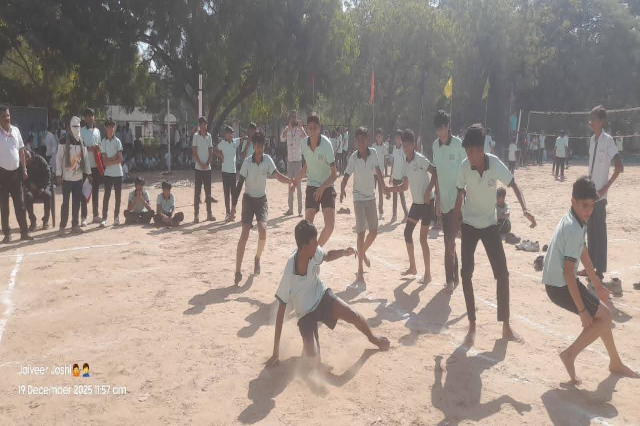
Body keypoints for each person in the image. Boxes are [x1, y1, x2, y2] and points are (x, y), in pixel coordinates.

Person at [543, 176, 638, 384]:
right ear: (573, 201)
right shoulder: (574, 228)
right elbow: (569, 273)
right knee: (604, 316)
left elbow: (583, 251)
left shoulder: (576, 219)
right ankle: (570, 354)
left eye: (592, 205)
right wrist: (582, 311)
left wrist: (597, 285)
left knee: (603, 314)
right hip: (560, 286)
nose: (589, 210)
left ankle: (615, 362)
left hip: (557, 283)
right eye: (584, 205)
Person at [451, 124, 536, 344]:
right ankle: (472, 324)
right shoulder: (464, 167)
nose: (468, 156)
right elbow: (458, 198)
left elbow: (514, 185)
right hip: (469, 224)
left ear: (481, 150)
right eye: (466, 152)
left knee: (502, 274)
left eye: (471, 152)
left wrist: (525, 208)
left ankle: (506, 327)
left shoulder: (495, 164)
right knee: (466, 274)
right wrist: (453, 230)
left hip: (489, 224)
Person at [267, 220, 390, 368]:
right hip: (305, 313)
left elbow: (327, 255)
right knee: (313, 360)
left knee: (353, 314)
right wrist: (275, 352)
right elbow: (281, 310)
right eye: (314, 243)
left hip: (322, 296)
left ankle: (373, 338)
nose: (317, 246)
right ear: (304, 247)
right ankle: (310, 344)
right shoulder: (290, 270)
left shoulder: (312, 250)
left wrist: (344, 252)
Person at [231, 130, 292, 284]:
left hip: (261, 200)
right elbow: (239, 185)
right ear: (253, 146)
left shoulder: (267, 160)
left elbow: (277, 175)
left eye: (261, 146)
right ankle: (237, 271)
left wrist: (290, 181)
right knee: (244, 233)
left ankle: (257, 258)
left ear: (264, 146)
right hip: (248, 199)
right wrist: (233, 206)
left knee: (263, 230)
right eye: (257, 146)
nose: (259, 149)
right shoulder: (247, 162)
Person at [385, 129, 436, 283]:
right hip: (417, 203)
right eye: (404, 145)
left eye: (408, 145)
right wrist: (390, 189)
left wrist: (428, 191)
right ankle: (413, 267)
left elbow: (435, 173)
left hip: (427, 203)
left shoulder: (420, 159)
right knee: (407, 233)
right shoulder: (405, 163)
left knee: (422, 238)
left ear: (413, 145)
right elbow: (405, 186)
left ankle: (428, 274)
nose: (405, 148)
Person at [580, 105, 623, 281]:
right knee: (590, 232)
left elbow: (619, 167)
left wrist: (605, 188)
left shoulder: (608, 141)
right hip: (589, 195)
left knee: (600, 233)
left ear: (601, 121)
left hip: (600, 197)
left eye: (593, 119)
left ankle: (599, 271)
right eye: (590, 119)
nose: (590, 122)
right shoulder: (592, 140)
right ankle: (590, 268)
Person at [340, 127, 385, 281]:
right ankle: (360, 267)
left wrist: (384, 187)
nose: (360, 143)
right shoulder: (353, 157)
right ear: (355, 141)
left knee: (374, 232)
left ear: (367, 140)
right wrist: (342, 188)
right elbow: (346, 175)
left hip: (371, 197)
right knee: (361, 232)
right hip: (358, 198)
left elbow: (378, 171)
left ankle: (362, 252)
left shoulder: (374, 153)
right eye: (358, 140)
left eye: (363, 140)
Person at [431, 111, 466, 292]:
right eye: (437, 129)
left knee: (450, 241)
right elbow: (436, 173)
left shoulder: (459, 145)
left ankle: (451, 280)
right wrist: (437, 199)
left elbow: (467, 170)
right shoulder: (435, 146)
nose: (439, 132)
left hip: (459, 201)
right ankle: (453, 278)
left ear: (448, 127)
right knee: (448, 241)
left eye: (442, 128)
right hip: (444, 201)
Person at [291, 112, 337, 247]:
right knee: (307, 226)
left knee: (330, 226)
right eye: (310, 128)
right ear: (307, 128)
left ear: (319, 128)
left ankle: (316, 250)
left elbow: (334, 174)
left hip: (327, 186)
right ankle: (307, 252)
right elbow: (307, 166)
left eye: (315, 128)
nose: (312, 131)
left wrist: (322, 188)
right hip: (311, 186)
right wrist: (295, 182)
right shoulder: (304, 144)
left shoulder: (326, 144)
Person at [0, 105, 32, 242]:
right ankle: (7, 234)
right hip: (2, 174)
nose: (7, 118)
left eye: (8, 115)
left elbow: (21, 151)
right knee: (4, 206)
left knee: (20, 205)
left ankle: (24, 232)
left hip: (16, 174)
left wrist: (24, 169)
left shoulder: (16, 130)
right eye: (3, 116)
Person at [56, 116, 92, 236]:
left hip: (78, 178)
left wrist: (89, 173)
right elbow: (58, 158)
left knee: (76, 202)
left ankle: (75, 225)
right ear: (70, 128)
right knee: (65, 203)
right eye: (75, 127)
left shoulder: (82, 142)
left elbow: (85, 158)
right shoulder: (63, 141)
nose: (77, 129)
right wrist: (58, 174)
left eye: (78, 126)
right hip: (67, 178)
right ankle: (62, 226)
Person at [281, 110, 307, 217]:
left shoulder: (300, 129)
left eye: (295, 117)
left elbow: (306, 139)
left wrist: (301, 128)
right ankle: (290, 209)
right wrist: (287, 129)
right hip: (290, 161)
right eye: (292, 117)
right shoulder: (287, 129)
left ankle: (300, 211)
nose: (293, 119)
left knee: (299, 186)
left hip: (297, 161)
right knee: (290, 185)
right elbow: (282, 138)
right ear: (290, 118)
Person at [80, 108, 102, 226]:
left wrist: (98, 147)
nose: (90, 118)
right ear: (85, 118)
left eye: (92, 116)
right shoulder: (81, 131)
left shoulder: (97, 131)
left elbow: (100, 145)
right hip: (85, 166)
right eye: (88, 116)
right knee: (85, 191)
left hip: (96, 165)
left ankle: (95, 215)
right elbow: (80, 147)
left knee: (96, 190)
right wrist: (89, 148)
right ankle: (83, 217)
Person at [100, 118, 123, 227]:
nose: (111, 129)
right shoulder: (103, 142)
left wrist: (111, 160)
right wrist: (114, 158)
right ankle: (104, 218)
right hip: (108, 174)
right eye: (109, 127)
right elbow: (104, 162)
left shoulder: (117, 141)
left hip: (118, 173)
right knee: (107, 195)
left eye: (113, 127)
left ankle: (116, 217)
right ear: (106, 128)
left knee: (118, 196)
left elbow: (120, 159)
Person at [215, 125, 241, 221]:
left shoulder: (235, 142)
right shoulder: (222, 143)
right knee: (226, 193)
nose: (231, 135)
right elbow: (215, 150)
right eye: (229, 133)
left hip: (233, 172)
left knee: (233, 193)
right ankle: (227, 212)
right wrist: (220, 156)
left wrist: (249, 138)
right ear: (226, 134)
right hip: (225, 172)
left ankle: (233, 211)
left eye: (232, 134)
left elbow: (243, 138)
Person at [192, 116, 215, 223]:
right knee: (197, 192)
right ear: (199, 125)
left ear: (206, 125)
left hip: (207, 169)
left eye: (205, 124)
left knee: (208, 192)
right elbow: (194, 152)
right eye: (201, 124)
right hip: (198, 168)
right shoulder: (196, 136)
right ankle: (196, 215)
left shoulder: (209, 136)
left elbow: (211, 151)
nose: (203, 126)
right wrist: (201, 164)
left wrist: (207, 163)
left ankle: (209, 213)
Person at [23, 149, 52, 231]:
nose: (27, 159)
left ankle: (45, 221)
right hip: (31, 188)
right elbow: (22, 179)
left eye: (28, 156)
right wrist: (29, 184)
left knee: (47, 195)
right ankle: (33, 221)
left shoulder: (40, 160)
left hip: (43, 186)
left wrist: (43, 187)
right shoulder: (23, 164)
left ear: (31, 155)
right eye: (25, 158)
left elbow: (48, 174)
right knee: (27, 196)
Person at [388, 129, 408, 223]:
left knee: (402, 196)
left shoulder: (403, 149)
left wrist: (405, 176)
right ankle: (394, 215)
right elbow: (393, 162)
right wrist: (391, 175)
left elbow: (406, 163)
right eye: (396, 138)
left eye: (399, 138)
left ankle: (406, 215)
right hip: (395, 176)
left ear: (401, 139)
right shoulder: (394, 148)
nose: (397, 139)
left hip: (401, 177)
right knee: (394, 196)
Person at [372, 128, 388, 220]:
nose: (379, 138)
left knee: (381, 193)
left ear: (382, 137)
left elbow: (385, 161)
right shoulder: (372, 146)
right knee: (372, 193)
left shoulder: (385, 147)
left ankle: (381, 212)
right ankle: (372, 211)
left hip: (381, 174)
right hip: (373, 173)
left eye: (380, 136)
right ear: (376, 137)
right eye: (377, 136)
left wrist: (385, 172)